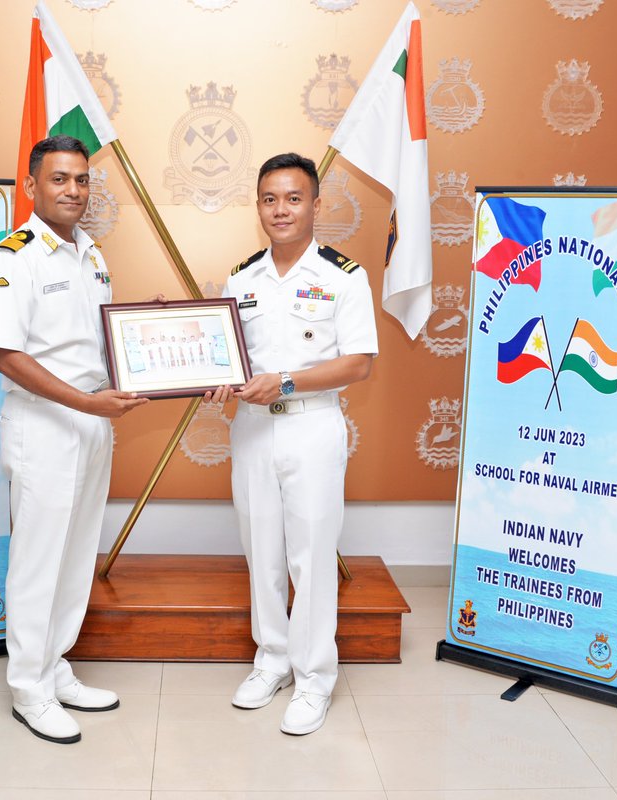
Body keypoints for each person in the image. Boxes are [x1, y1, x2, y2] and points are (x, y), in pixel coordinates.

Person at [0, 135, 148, 745]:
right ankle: (27, 687)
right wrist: (87, 403)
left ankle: (55, 666)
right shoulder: (12, 257)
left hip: (92, 420)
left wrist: (146, 354)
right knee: (38, 559)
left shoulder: (91, 254)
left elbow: (97, 344)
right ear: (31, 185)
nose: (73, 190)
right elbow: (6, 356)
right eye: (59, 179)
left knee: (77, 554)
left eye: (81, 180)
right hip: (43, 423)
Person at [206, 152, 378, 735]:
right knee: (262, 551)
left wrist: (284, 380)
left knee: (310, 554)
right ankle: (272, 659)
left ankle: (313, 678)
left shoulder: (343, 276)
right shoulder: (242, 277)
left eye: (294, 198)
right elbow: (229, 355)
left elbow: (358, 364)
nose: (281, 210)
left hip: (311, 425)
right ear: (258, 206)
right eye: (270, 199)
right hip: (253, 428)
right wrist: (213, 375)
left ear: (316, 205)